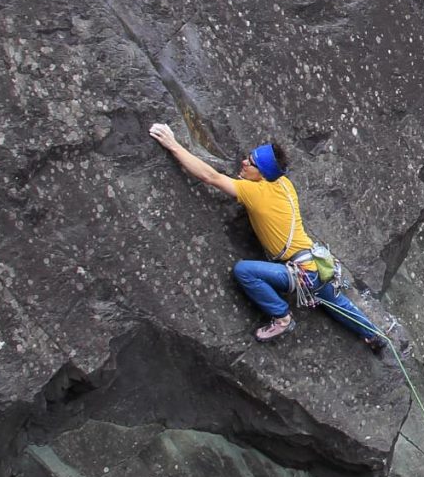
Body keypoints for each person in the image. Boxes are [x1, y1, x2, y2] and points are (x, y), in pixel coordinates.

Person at [148, 122, 382, 347]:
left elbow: (210, 177)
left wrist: (174, 145)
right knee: (335, 301)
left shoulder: (256, 193)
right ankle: (373, 336)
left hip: (303, 272)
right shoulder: (284, 184)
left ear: (262, 173)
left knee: (244, 271)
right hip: (317, 265)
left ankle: (282, 318)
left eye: (250, 163)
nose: (243, 162)